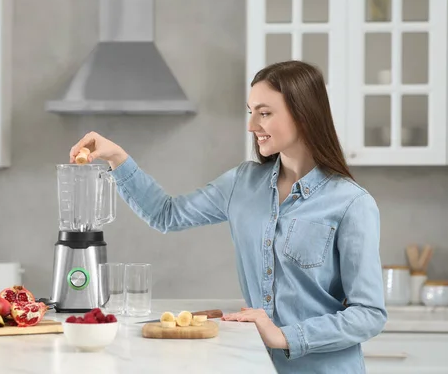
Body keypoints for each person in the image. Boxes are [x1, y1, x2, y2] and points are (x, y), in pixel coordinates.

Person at [69, 60, 387, 374]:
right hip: (258, 364)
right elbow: (166, 214)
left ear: (303, 115)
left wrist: (283, 335)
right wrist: (117, 158)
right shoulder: (243, 183)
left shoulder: (351, 204)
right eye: (251, 112)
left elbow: (369, 313)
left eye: (264, 113)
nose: (251, 126)